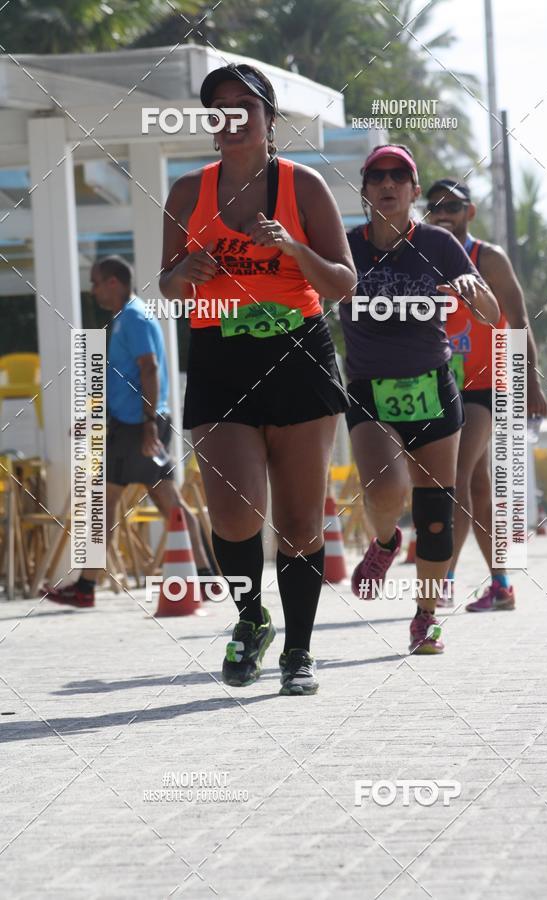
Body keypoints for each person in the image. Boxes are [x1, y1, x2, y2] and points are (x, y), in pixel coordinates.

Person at [159, 63, 356, 695]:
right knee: (234, 510)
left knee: (300, 522)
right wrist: (185, 269)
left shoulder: (305, 187)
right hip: (219, 354)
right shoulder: (188, 191)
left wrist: (294, 249)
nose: (232, 116)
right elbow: (165, 284)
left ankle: (299, 650)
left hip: (297, 352)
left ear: (271, 118)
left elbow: (344, 283)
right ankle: (251, 619)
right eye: (219, 106)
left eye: (246, 105)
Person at [339, 145, 499, 654]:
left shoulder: (438, 243)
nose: (388, 184)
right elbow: (307, 294)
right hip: (369, 389)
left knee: (434, 514)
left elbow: (492, 314)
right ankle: (385, 541)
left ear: (413, 190)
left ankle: (426, 617)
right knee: (385, 489)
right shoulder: (346, 247)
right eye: (377, 176)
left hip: (433, 387)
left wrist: (475, 291)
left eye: (399, 176)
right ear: (365, 190)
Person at [45, 256, 214, 608]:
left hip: (140, 426)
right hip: (134, 424)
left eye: (94, 282)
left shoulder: (134, 317)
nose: (91, 290)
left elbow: (149, 369)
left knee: (113, 504)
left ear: (113, 282)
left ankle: (87, 587)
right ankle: (206, 578)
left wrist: (149, 423)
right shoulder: (126, 318)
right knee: (165, 503)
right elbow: (124, 380)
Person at [426, 179, 547, 611]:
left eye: (452, 206)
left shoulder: (487, 257)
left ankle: (444, 580)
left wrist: (529, 381)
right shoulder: (427, 256)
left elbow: (518, 320)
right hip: (445, 385)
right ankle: (501, 585)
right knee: (477, 488)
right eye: (434, 206)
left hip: (490, 385)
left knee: (454, 479)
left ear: (469, 212)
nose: (442, 213)